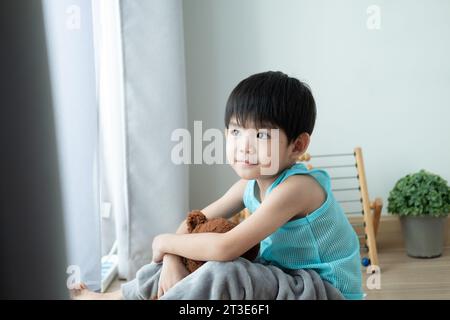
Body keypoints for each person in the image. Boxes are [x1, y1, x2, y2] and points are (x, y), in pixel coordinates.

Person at [72, 71, 363, 300]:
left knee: (226, 271)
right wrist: (173, 258)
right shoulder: (247, 187)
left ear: (297, 145)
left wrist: (162, 242)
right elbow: (191, 225)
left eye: (261, 135)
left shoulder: (298, 188)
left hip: (323, 290)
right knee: (194, 258)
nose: (243, 146)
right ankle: (114, 297)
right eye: (236, 131)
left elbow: (225, 247)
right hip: (285, 278)